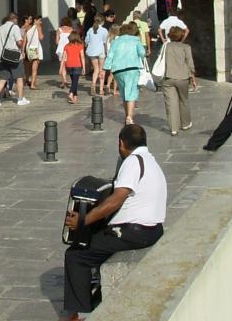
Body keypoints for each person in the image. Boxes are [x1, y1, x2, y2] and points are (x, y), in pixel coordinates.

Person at [62, 124, 166, 320]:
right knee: (96, 239)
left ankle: (81, 313)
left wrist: (83, 220)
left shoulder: (133, 162)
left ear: (121, 143)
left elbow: (116, 200)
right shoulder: (149, 160)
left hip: (136, 232)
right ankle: (93, 288)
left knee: (76, 255)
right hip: (153, 228)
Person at [155, 27, 195, 135]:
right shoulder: (186, 47)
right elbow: (190, 64)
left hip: (168, 77)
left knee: (170, 103)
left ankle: (173, 128)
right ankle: (185, 123)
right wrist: (192, 76)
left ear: (170, 36)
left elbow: (160, 58)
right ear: (182, 36)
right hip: (183, 78)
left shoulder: (166, 46)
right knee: (184, 100)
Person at [105, 23, 147, 124]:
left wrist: (105, 68)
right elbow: (142, 53)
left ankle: (127, 115)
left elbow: (110, 55)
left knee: (124, 93)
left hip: (118, 70)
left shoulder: (116, 41)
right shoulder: (135, 40)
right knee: (131, 92)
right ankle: (129, 117)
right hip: (132, 68)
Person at [0, 13, 29, 106]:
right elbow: (19, 42)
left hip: (3, 57)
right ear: (14, 19)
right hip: (14, 57)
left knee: (3, 77)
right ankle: (20, 99)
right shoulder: (15, 27)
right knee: (19, 77)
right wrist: (23, 44)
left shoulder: (0, 28)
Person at [84, 15, 108, 97]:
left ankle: (93, 84)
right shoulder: (104, 30)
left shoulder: (90, 29)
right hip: (101, 51)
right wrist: (106, 51)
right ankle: (101, 90)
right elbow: (105, 42)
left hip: (92, 51)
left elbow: (86, 41)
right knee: (102, 70)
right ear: (103, 21)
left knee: (96, 69)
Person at [61, 30, 86, 104]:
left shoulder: (66, 46)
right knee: (75, 82)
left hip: (69, 65)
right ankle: (71, 93)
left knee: (74, 82)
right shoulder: (80, 45)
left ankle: (75, 98)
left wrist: (61, 67)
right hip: (77, 65)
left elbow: (63, 57)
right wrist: (84, 68)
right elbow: (82, 57)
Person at [55, 16, 75, 88]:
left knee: (62, 65)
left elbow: (57, 42)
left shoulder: (59, 30)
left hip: (61, 50)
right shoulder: (72, 30)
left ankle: (64, 81)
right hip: (70, 50)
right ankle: (73, 80)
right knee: (70, 65)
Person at [25, 15, 44, 90]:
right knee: (35, 68)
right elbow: (41, 37)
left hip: (29, 48)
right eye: (39, 20)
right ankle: (33, 84)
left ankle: (29, 80)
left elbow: (25, 40)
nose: (41, 22)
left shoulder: (28, 28)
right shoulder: (38, 27)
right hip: (35, 48)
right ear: (35, 20)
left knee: (29, 66)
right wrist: (42, 33)